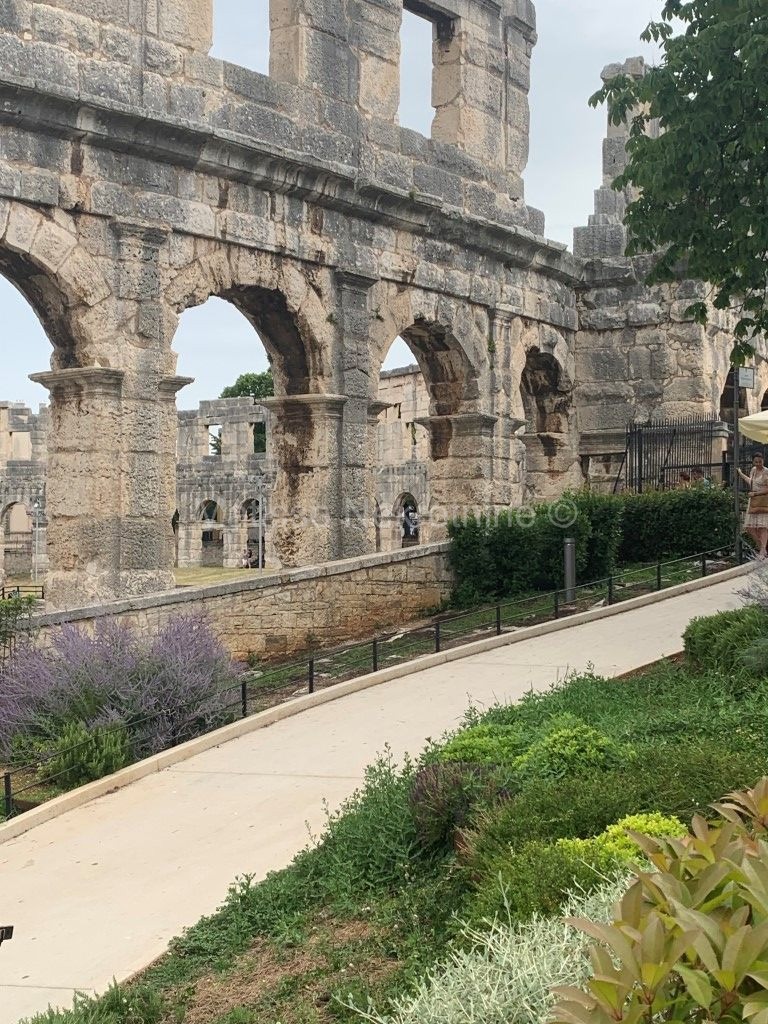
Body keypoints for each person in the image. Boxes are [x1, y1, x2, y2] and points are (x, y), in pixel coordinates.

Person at [739, 453, 768, 559]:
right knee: (749, 527)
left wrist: (756, 493)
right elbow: (751, 482)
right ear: (753, 462)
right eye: (756, 462)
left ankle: (763, 550)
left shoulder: (766, 472)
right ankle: (762, 548)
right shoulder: (753, 470)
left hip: (763, 501)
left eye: (760, 461)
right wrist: (741, 474)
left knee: (762, 526)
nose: (758, 464)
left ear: (763, 461)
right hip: (753, 501)